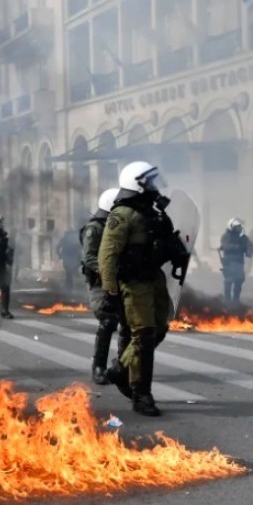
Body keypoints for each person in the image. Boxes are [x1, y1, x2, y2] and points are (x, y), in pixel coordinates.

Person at [98, 162, 187, 417]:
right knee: (144, 336)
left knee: (159, 328)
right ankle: (141, 394)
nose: (154, 185)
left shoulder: (153, 211)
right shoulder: (122, 214)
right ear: (137, 183)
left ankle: (119, 369)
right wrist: (110, 289)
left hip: (154, 278)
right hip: (134, 283)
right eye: (149, 181)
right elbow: (108, 254)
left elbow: (165, 240)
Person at [80, 188, 130, 385]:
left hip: (121, 280)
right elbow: (89, 258)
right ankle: (98, 367)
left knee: (127, 323)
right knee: (108, 322)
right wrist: (108, 269)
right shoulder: (95, 228)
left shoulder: (116, 225)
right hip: (100, 283)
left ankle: (122, 366)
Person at [219, 218, 253, 306]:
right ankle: (227, 300)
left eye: (240, 226)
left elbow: (249, 251)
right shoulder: (226, 236)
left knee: (239, 280)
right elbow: (226, 246)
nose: (239, 228)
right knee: (229, 280)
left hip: (239, 263)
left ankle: (236, 300)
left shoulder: (244, 238)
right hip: (229, 262)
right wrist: (238, 247)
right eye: (237, 227)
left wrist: (250, 248)